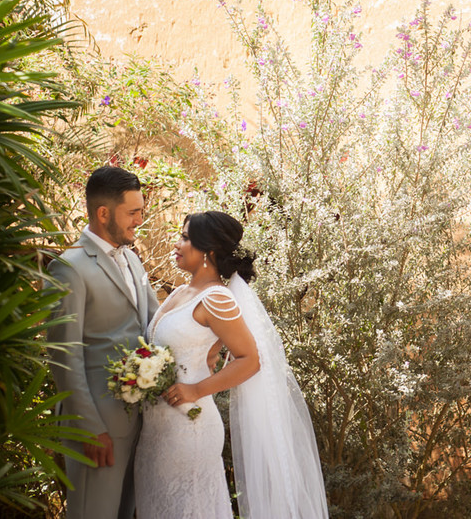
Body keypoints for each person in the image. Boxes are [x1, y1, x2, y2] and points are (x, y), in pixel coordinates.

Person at [134, 210, 330, 519]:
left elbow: (251, 360)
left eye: (186, 238)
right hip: (156, 430)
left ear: (208, 252)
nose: (177, 243)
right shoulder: (184, 292)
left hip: (189, 429)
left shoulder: (216, 299)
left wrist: (195, 389)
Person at [47, 166, 160, 519]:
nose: (139, 220)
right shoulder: (69, 268)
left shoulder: (133, 260)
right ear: (102, 213)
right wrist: (91, 428)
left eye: (141, 210)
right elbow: (63, 356)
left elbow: (154, 323)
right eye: (133, 212)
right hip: (98, 427)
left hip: (137, 420)